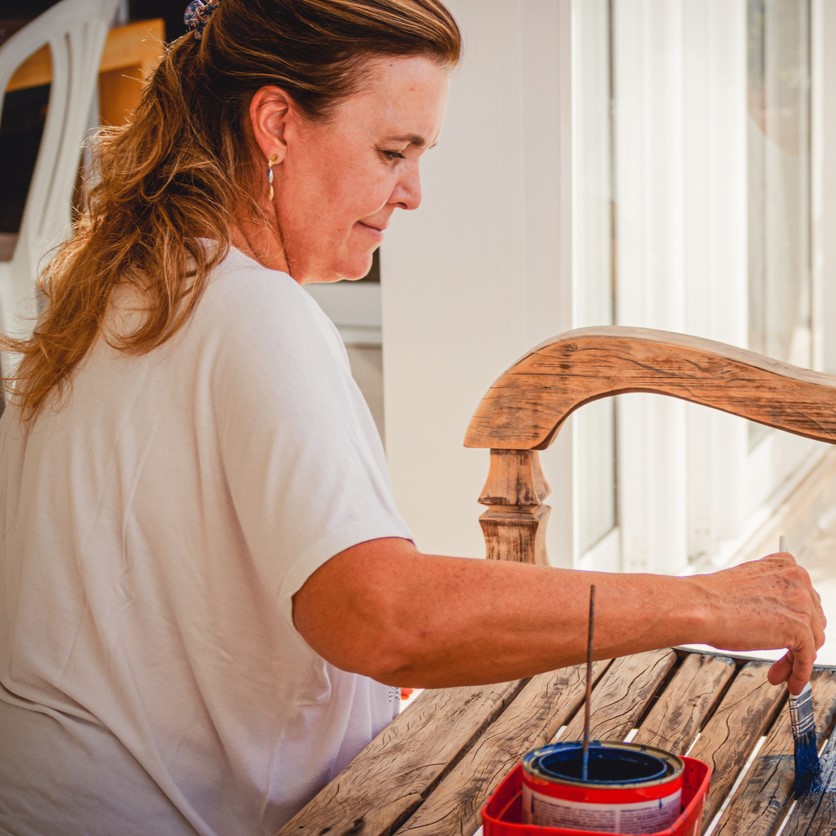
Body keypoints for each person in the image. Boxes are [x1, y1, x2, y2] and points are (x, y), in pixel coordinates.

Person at [0, 0, 826, 833]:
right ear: (277, 123)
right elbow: (381, 617)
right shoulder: (251, 315)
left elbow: (174, 591)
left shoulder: (120, 286)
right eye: (393, 152)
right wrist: (702, 602)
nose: (414, 193)